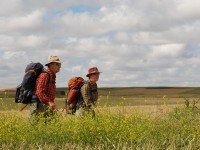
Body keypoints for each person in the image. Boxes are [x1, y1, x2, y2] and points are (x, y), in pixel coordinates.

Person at [30, 55, 62, 119]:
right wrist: (49, 102)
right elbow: (40, 92)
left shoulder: (51, 76)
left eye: (60, 65)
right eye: (58, 64)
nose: (60, 67)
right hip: (39, 105)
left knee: (51, 126)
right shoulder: (45, 75)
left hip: (46, 105)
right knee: (37, 127)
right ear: (51, 65)